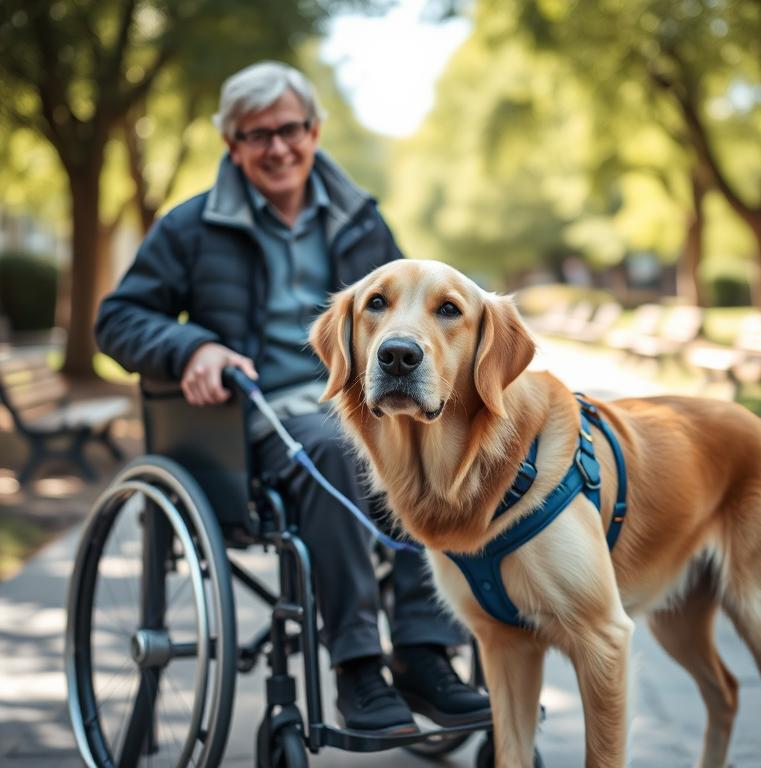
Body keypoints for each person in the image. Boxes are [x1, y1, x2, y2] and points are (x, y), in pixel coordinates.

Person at [95, 60, 489, 735]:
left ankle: (425, 653)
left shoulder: (362, 220)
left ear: (313, 130)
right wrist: (192, 348)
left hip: (360, 403)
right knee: (339, 449)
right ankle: (359, 666)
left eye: (288, 129)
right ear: (232, 146)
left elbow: (414, 313)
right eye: (256, 135)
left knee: (437, 450)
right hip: (254, 414)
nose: (277, 147)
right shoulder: (189, 229)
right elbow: (117, 319)